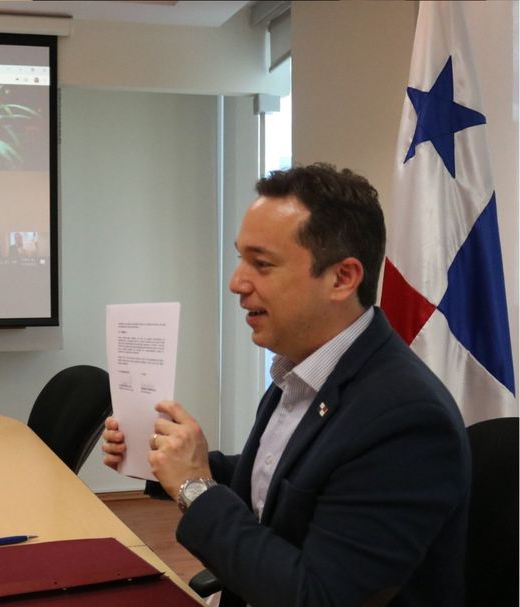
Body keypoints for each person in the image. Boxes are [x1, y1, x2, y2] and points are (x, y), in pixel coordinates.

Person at [102, 163, 471, 607]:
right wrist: (162, 459)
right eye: (240, 259)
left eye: (261, 264)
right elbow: (280, 481)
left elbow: (317, 597)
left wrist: (194, 489)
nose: (237, 282)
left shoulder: (407, 420)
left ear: (342, 278)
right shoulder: (303, 368)